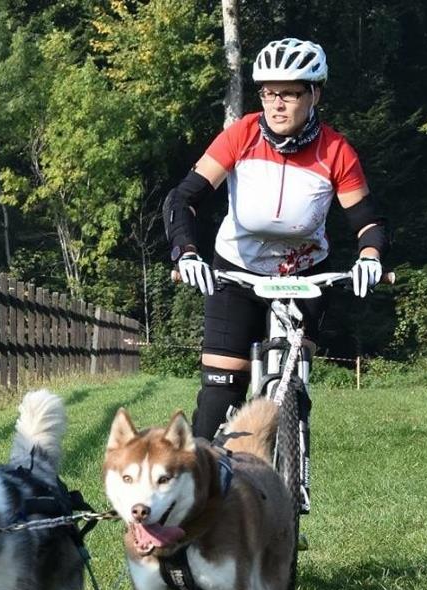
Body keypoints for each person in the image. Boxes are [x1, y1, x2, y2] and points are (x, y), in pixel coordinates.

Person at [162, 37, 388, 440]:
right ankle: (203, 492)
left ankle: (287, 476)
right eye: (268, 93)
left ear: (314, 94)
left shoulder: (336, 151)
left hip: (304, 277)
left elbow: (367, 222)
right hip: (237, 272)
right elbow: (184, 199)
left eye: (289, 93)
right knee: (219, 394)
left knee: (290, 388)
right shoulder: (241, 136)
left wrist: (369, 256)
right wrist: (187, 253)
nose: (277, 104)